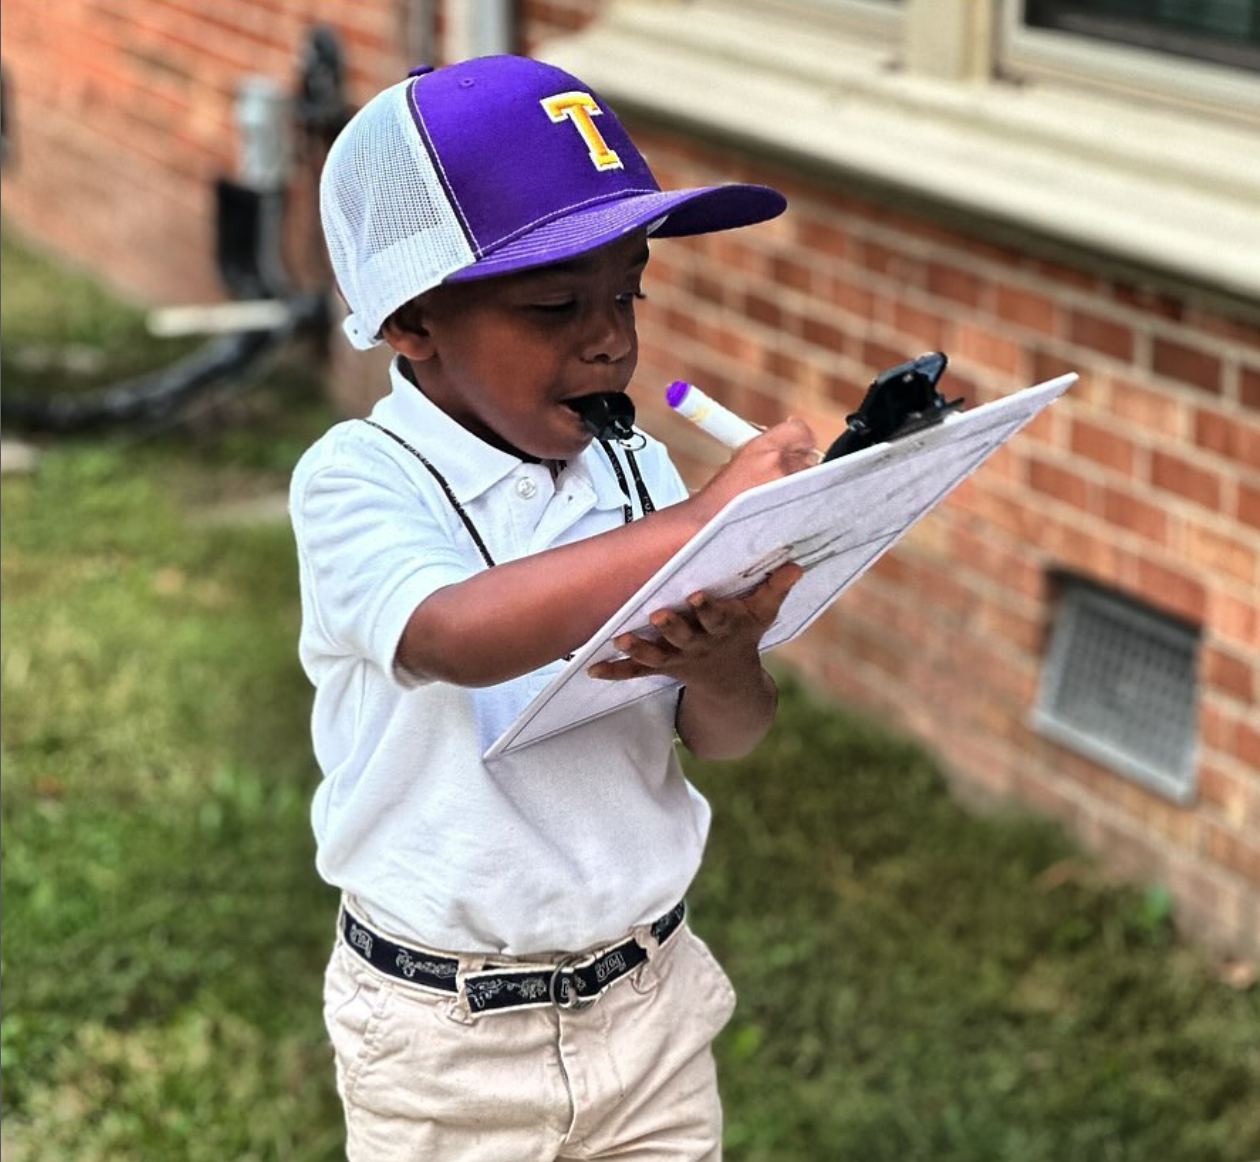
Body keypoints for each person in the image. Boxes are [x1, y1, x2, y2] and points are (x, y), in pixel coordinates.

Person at [290, 54, 816, 1161]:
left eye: (628, 288)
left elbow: (729, 732)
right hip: (444, 1043)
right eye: (553, 304)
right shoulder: (359, 477)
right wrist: (697, 530)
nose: (611, 339)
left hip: (649, 1002)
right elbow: (451, 634)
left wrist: (725, 658)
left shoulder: (637, 477)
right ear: (413, 323)